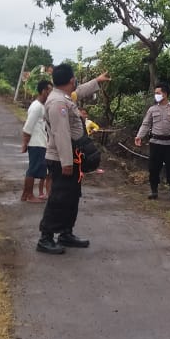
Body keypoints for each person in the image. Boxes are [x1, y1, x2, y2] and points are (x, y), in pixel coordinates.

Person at [36, 64, 111, 255]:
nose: (76, 82)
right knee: (59, 198)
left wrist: (97, 81)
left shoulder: (64, 96)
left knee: (71, 197)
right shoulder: (58, 103)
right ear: (71, 80)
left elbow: (79, 92)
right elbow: (61, 134)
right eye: (74, 79)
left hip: (72, 158)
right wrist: (67, 163)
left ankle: (65, 232)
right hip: (62, 160)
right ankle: (45, 237)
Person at [20, 79, 52, 202]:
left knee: (34, 169)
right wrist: (25, 143)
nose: (51, 93)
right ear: (44, 91)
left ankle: (26, 195)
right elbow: (28, 126)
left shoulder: (42, 107)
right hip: (36, 143)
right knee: (33, 170)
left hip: (40, 142)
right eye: (49, 90)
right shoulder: (36, 107)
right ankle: (28, 195)